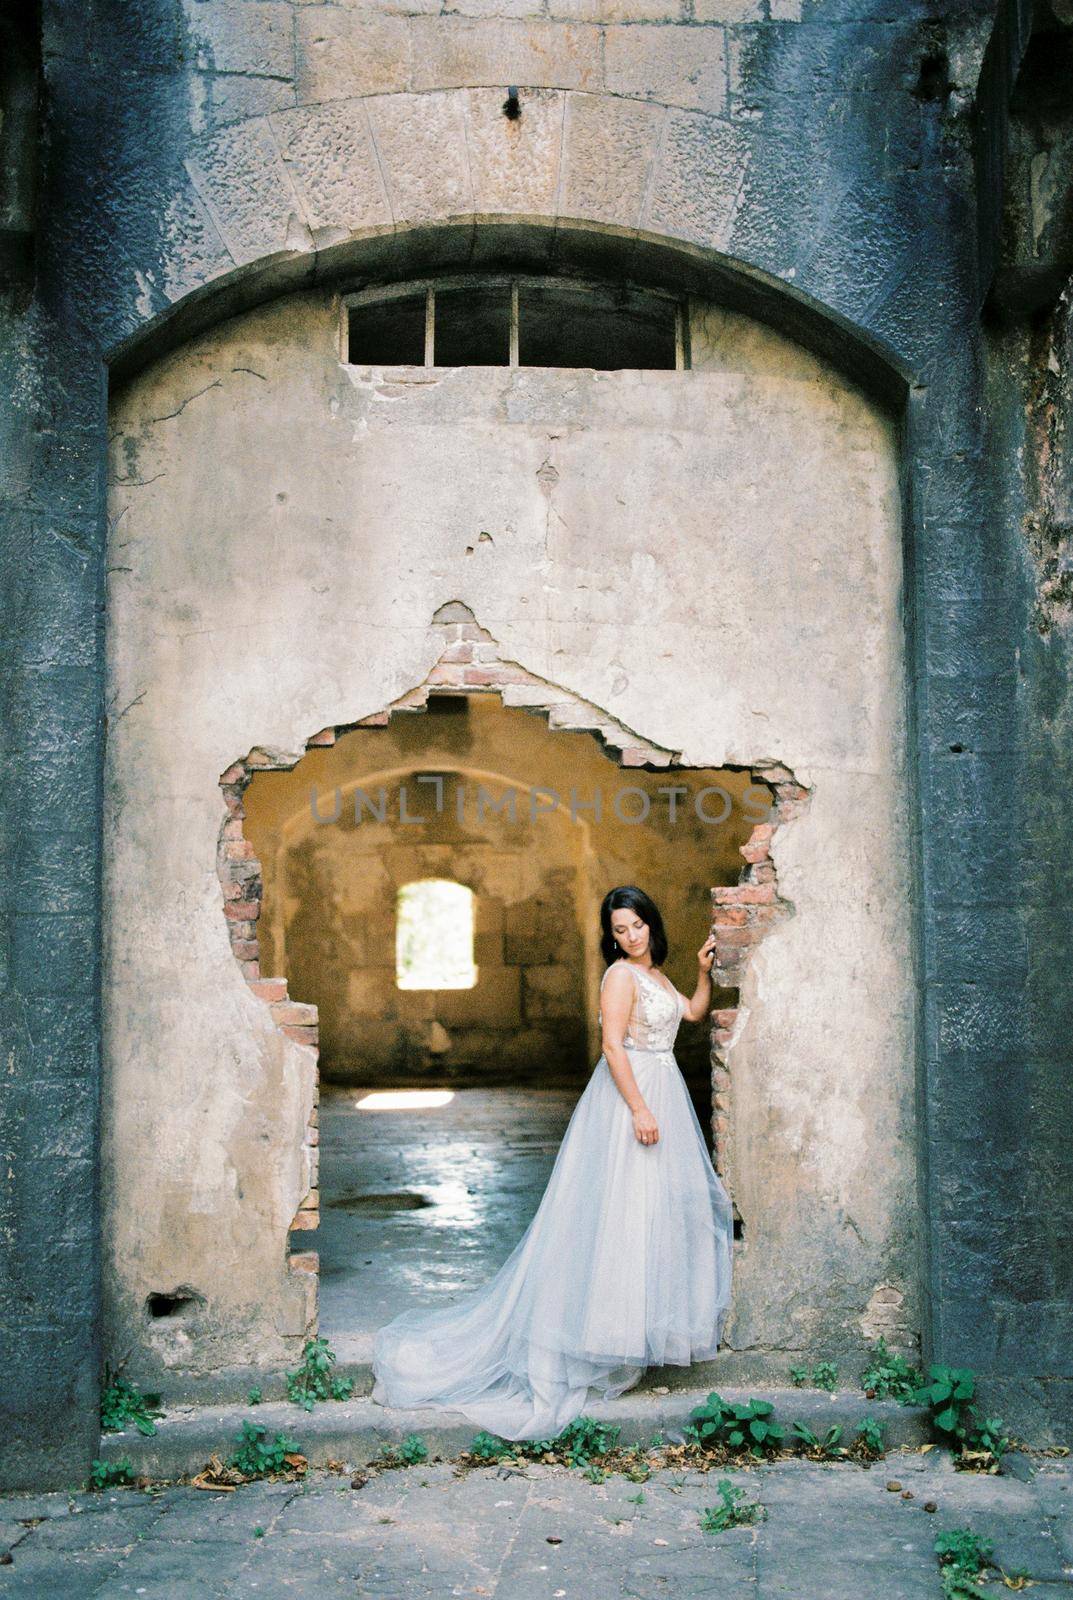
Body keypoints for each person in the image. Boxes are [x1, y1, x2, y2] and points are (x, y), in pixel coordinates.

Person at [369, 884, 735, 1441]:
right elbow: (613, 1046)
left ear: (651, 926)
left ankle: (635, 1330)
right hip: (632, 1096)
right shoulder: (619, 977)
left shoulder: (657, 975)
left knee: (654, 1212)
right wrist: (638, 1108)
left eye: (637, 925)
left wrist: (703, 972)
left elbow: (689, 1014)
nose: (630, 936)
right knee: (621, 1211)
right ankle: (606, 1336)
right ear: (610, 939)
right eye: (619, 930)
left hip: (665, 1090)